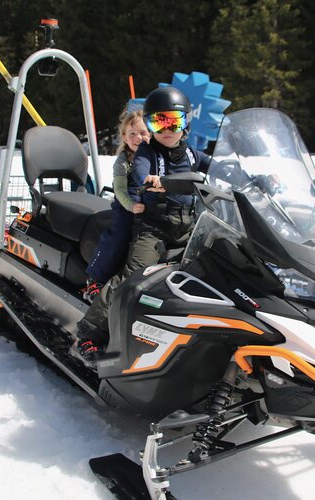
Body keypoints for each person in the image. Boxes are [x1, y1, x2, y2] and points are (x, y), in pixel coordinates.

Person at [72, 86, 215, 366]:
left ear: (185, 122)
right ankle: (88, 333)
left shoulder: (192, 155)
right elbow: (139, 172)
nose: (167, 129)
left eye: (174, 121)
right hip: (153, 229)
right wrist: (155, 181)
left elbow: (219, 166)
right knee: (133, 277)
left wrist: (252, 177)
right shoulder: (148, 153)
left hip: (189, 228)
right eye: (158, 122)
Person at [81, 109, 150, 301]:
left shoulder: (156, 157)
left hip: (152, 208)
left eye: (143, 132)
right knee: (119, 236)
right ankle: (96, 279)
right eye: (132, 134)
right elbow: (120, 189)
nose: (138, 138)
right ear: (125, 137)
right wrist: (130, 205)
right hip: (127, 206)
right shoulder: (123, 161)